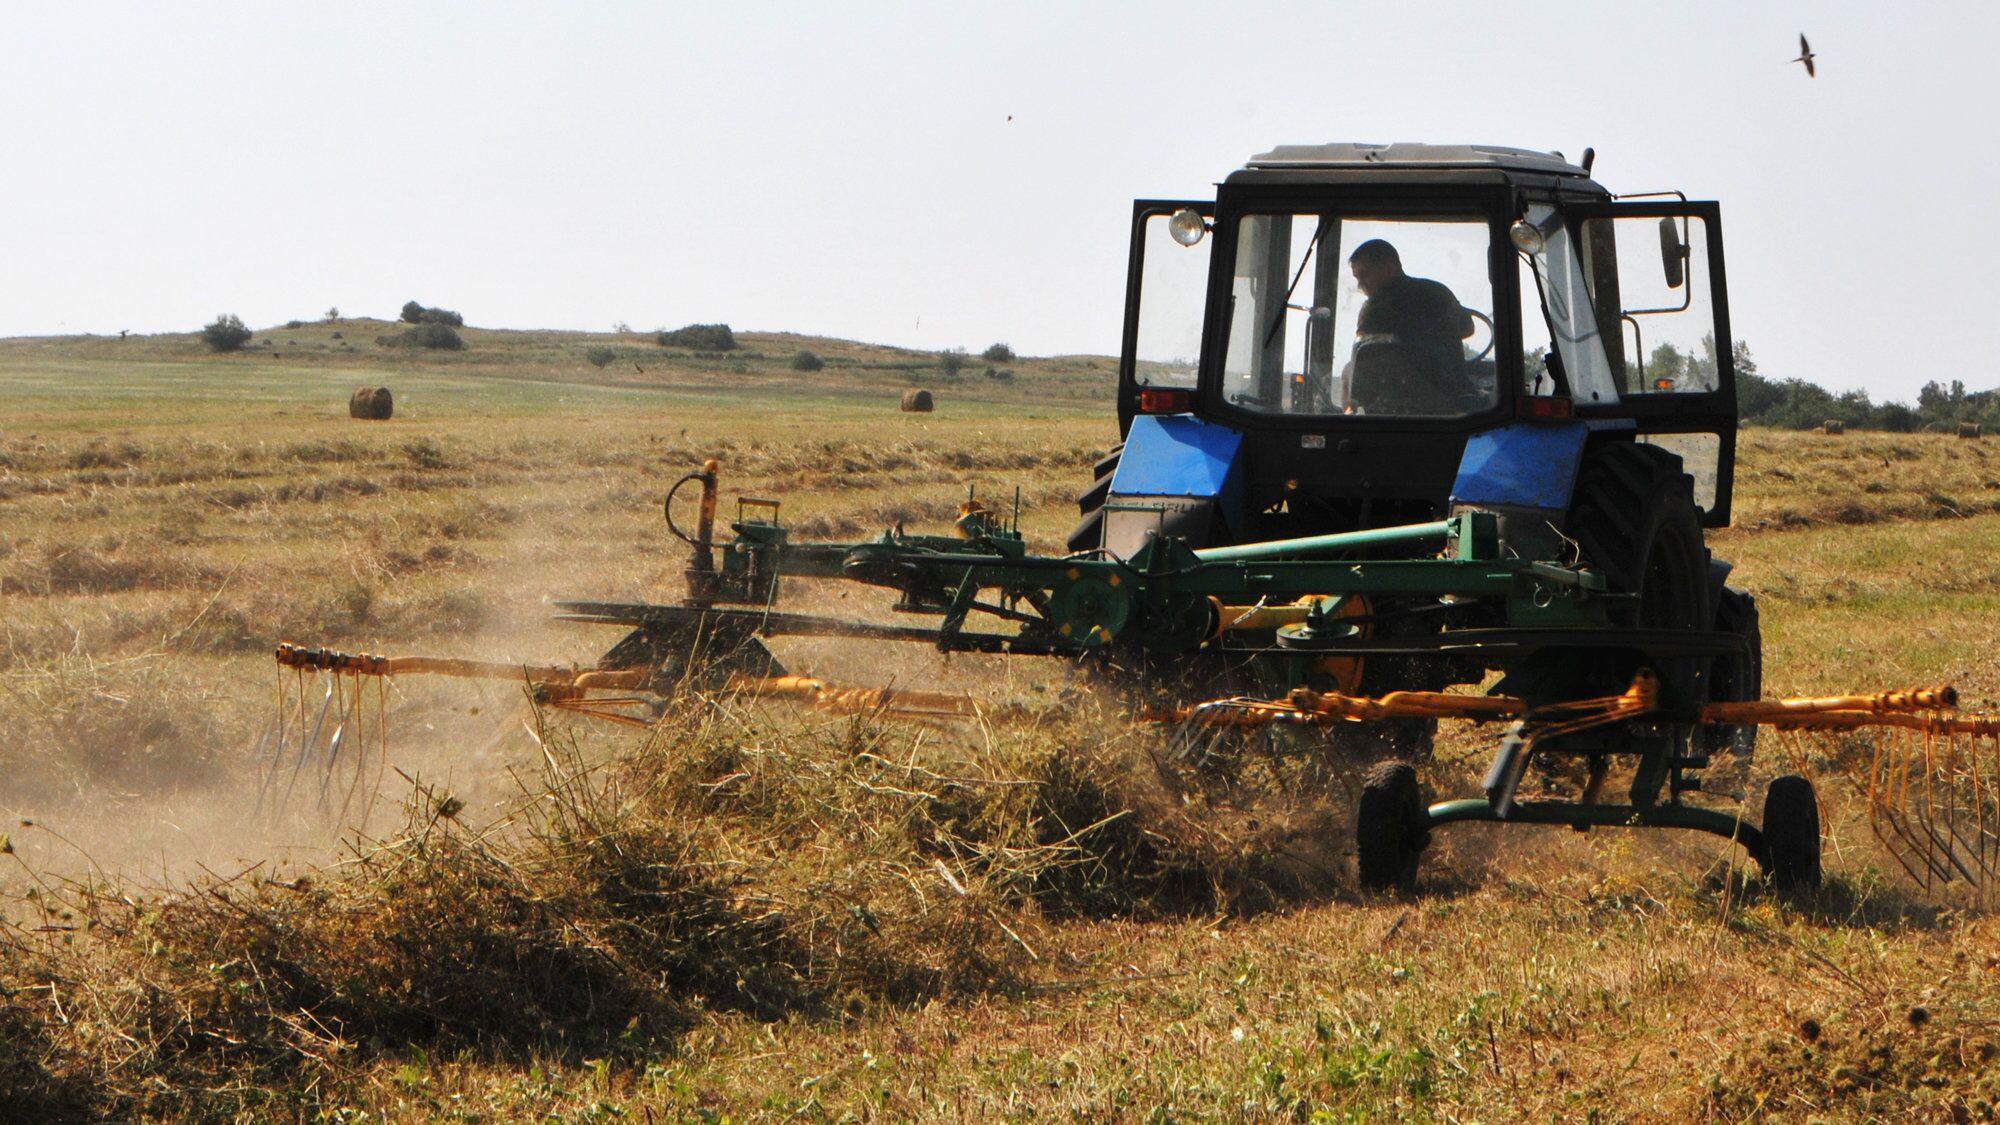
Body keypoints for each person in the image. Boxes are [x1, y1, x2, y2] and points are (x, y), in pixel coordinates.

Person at [1344, 239, 1478, 413]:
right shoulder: (1437, 291)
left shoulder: (1374, 309)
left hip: (1395, 406)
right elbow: (1468, 328)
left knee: (1348, 369)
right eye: (1358, 278)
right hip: (1452, 401)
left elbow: (1362, 355)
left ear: (1390, 267)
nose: (1360, 284)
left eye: (1365, 275)